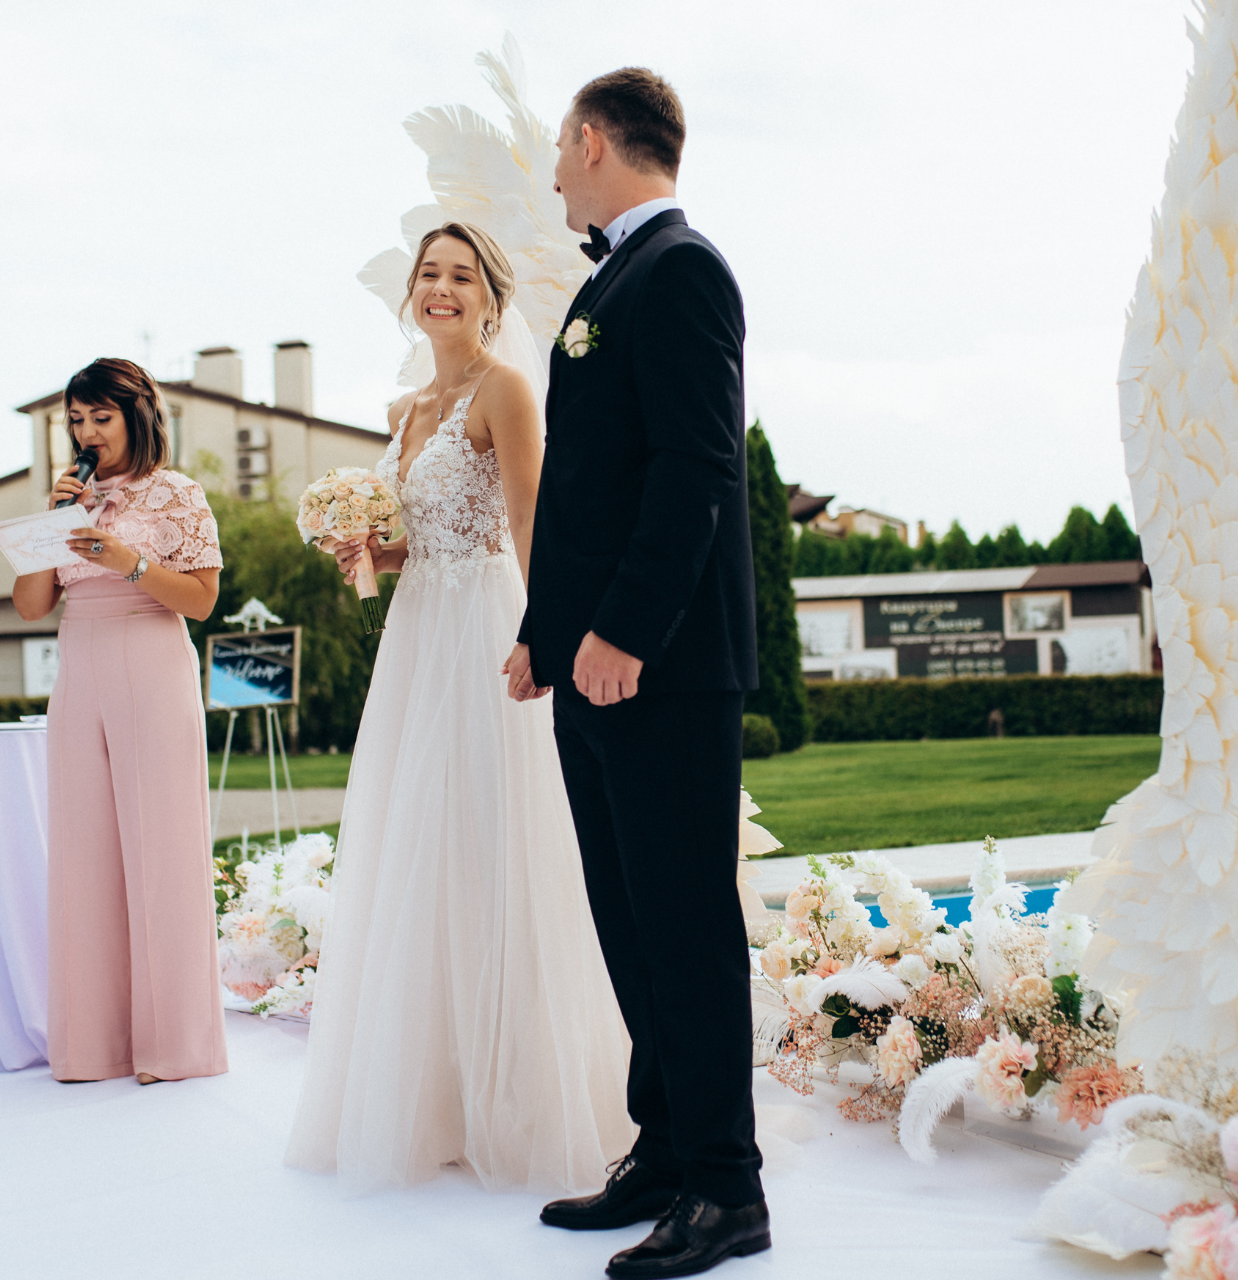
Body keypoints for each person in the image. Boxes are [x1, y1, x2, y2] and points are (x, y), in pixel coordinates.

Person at [284, 222, 633, 1193]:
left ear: (491, 297)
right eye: (429, 274)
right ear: (412, 295)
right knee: (418, 849)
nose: (442, 288)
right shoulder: (405, 407)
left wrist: (543, 631)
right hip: (416, 635)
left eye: (461, 275)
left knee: (495, 843)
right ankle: (434, 1091)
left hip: (487, 626)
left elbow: (529, 517)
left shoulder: (506, 389)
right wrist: (365, 548)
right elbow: (424, 532)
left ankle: (526, 1095)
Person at [505, 69, 768, 1278]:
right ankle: (664, 1150)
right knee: (629, 922)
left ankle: (727, 1187)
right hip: (593, 661)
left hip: (659, 667)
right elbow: (586, 488)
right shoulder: (609, 277)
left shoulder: (683, 270)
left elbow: (696, 470)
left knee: (685, 925)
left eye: (562, 148)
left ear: (594, 139)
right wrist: (545, 631)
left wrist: (624, 632)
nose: (556, 170)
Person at [11, 357, 229, 1086]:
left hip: (151, 656)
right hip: (81, 665)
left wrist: (129, 561)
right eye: (76, 420)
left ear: (137, 414)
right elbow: (31, 605)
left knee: (160, 845)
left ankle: (173, 1046)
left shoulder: (178, 493)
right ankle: (92, 1045)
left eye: (100, 417)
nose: (87, 432)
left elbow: (201, 602)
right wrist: (54, 521)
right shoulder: (70, 499)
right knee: (83, 849)